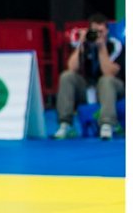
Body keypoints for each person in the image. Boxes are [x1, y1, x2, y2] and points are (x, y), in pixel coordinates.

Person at [54, 13, 125, 141]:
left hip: (114, 88)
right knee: (66, 76)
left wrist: (101, 47)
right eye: (94, 32)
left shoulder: (116, 45)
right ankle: (65, 124)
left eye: (101, 31)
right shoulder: (86, 45)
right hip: (89, 89)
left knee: (106, 80)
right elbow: (71, 67)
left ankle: (106, 124)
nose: (98, 35)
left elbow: (108, 72)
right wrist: (81, 45)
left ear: (107, 31)